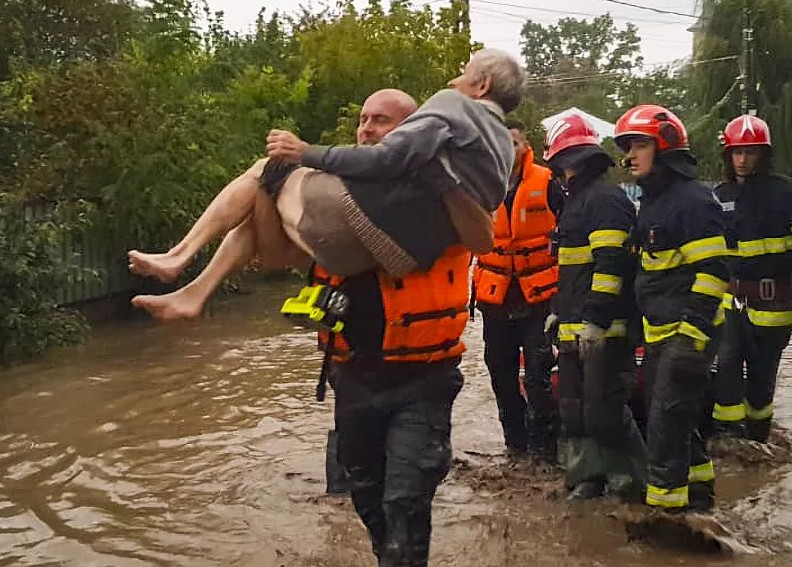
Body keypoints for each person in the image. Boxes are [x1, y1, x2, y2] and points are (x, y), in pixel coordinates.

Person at [126, 48, 526, 321]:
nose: (456, 81)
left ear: (483, 84)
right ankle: (192, 293)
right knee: (259, 196)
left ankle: (179, 256)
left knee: (269, 165)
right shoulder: (505, 151)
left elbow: (387, 159)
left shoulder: (454, 104)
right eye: (363, 120)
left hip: (358, 224)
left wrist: (304, 151)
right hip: (391, 259)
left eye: (465, 75)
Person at [614, 104, 729, 513]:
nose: (629, 155)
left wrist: (690, 339)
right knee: (678, 423)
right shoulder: (655, 202)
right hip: (664, 335)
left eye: (639, 144)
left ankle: (664, 521)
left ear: (664, 146)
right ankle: (699, 500)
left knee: (663, 430)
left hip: (686, 336)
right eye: (627, 146)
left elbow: (715, 272)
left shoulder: (692, 202)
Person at [309, 89, 420, 495]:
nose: (366, 129)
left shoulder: (426, 190)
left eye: (380, 121)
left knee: (404, 487)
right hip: (350, 353)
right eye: (362, 119)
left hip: (413, 361)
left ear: (410, 131)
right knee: (352, 471)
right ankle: (339, 513)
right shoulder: (329, 186)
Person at [709, 114, 792, 443]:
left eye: (750, 152)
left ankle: (759, 441)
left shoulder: (786, 194)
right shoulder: (718, 196)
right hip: (730, 302)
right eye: (736, 152)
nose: (742, 160)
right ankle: (728, 443)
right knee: (726, 368)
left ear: (763, 155)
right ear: (727, 155)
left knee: (761, 383)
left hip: (774, 305)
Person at [544, 114, 646, 502]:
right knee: (574, 413)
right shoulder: (576, 203)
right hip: (574, 329)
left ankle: (633, 485)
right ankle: (587, 481)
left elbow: (610, 265)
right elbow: (572, 271)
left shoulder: (604, 200)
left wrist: (596, 322)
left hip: (605, 332)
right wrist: (557, 310)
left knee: (605, 414)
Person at [473, 120, 562, 461]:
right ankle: (515, 446)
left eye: (512, 142)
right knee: (500, 375)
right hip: (495, 299)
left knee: (538, 377)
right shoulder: (478, 188)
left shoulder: (548, 182)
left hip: (538, 298)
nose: (505, 149)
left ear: (525, 147)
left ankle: (544, 450)